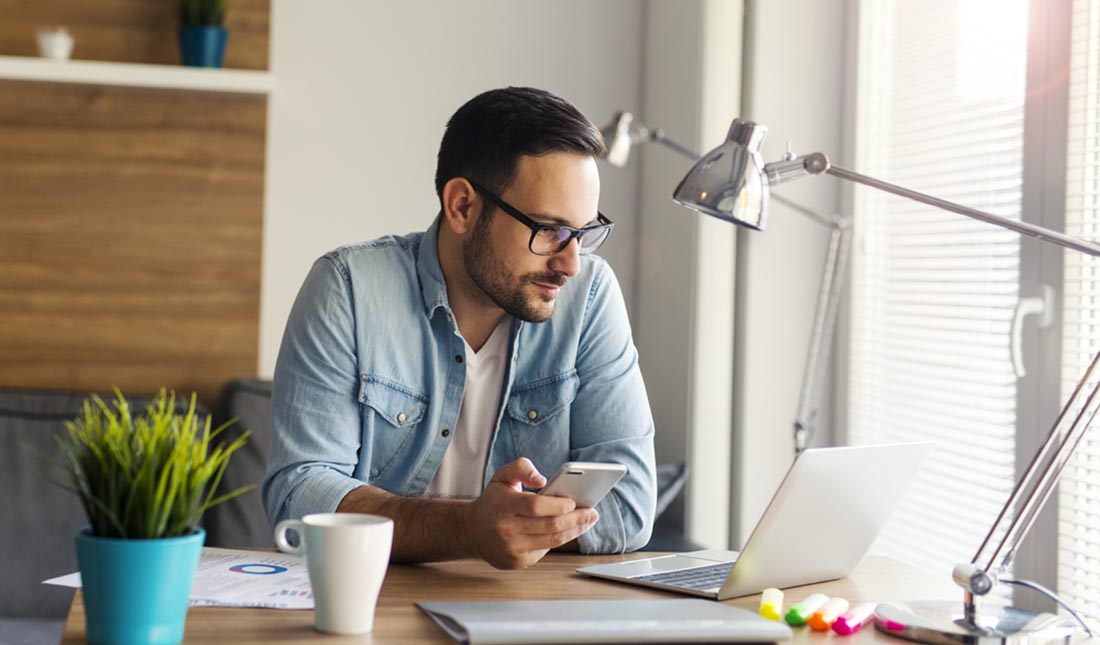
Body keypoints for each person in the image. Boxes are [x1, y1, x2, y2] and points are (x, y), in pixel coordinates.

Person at [262, 87, 656, 570]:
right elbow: (299, 494)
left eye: (584, 233)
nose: (571, 263)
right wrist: (468, 530)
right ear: (463, 206)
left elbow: (632, 504)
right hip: (372, 602)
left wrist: (512, 531)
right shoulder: (348, 289)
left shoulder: (590, 297)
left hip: (527, 609)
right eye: (549, 229)